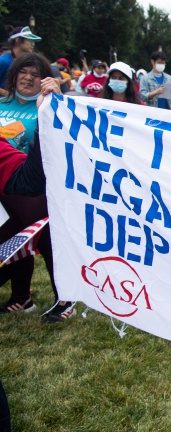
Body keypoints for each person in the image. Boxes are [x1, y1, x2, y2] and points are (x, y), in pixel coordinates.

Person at [0, 56, 74, 322]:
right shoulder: (1, 104)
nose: (28, 77)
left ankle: (64, 298)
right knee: (12, 240)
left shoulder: (49, 106)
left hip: (34, 183)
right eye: (23, 72)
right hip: (4, 184)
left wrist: (57, 101)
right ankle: (22, 297)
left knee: (46, 240)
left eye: (35, 73)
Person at [0, 26, 41, 96]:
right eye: (29, 40)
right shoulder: (3, 61)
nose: (33, 44)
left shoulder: (24, 62)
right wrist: (9, 95)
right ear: (18, 40)